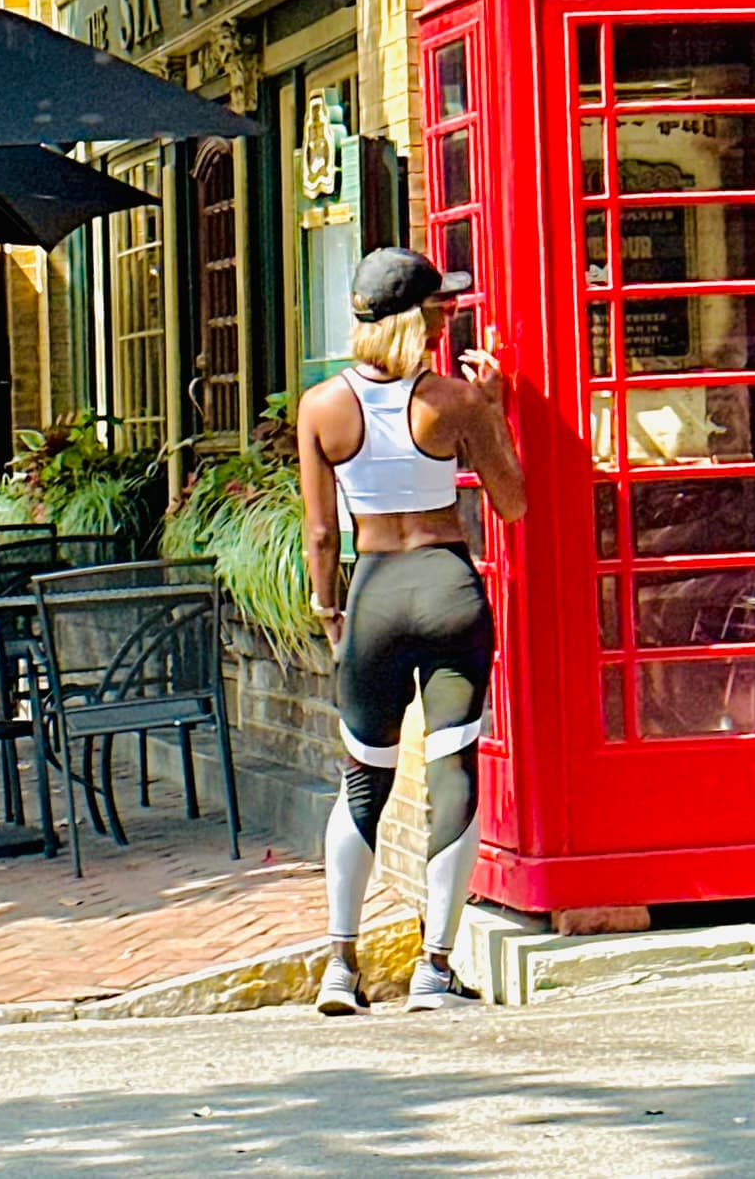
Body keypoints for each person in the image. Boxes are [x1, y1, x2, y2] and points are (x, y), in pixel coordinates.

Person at [298, 246, 527, 1013]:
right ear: (422, 318)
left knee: (364, 779)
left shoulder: (322, 406)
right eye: (445, 307)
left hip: (374, 595)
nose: (452, 317)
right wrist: (492, 405)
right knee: (454, 771)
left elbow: (321, 535)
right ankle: (434, 969)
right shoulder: (454, 401)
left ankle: (340, 967)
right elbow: (514, 501)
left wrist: (330, 611)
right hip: (447, 586)